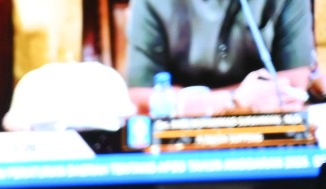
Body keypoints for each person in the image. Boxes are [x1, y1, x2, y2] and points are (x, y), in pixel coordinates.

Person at [124, 0, 315, 114]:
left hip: (267, 137)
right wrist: (234, 101)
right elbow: (141, 94)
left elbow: (293, 85)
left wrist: (189, 104)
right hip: (180, 141)